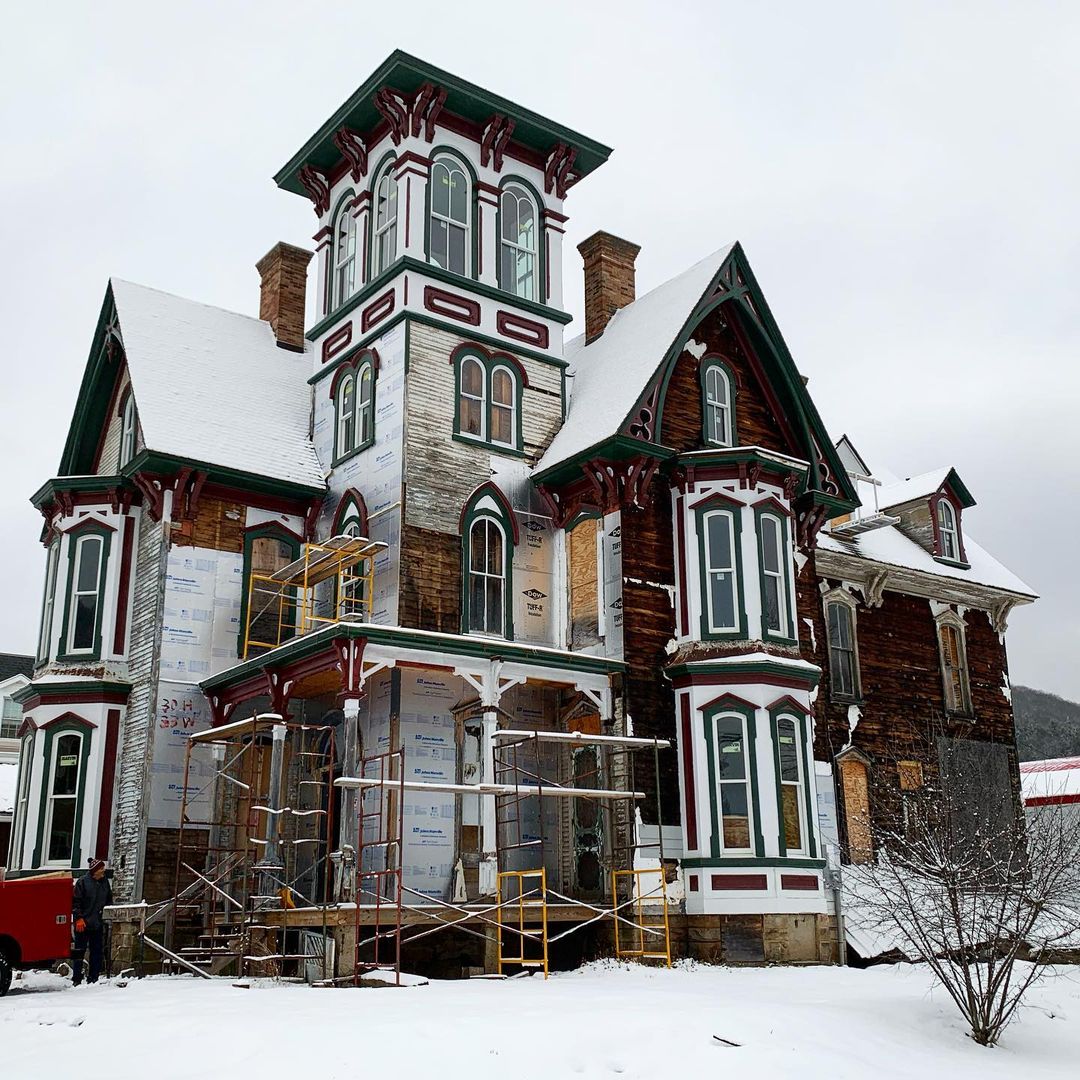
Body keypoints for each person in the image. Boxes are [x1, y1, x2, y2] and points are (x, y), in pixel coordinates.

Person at [72, 857, 112, 986]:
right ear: (95, 870)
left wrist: (107, 915)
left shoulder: (105, 882)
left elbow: (108, 900)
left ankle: (93, 978)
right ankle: (76, 979)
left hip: (97, 922)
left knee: (97, 951)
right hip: (83, 922)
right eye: (101, 869)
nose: (103, 871)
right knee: (80, 951)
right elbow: (75, 902)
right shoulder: (82, 882)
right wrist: (78, 918)